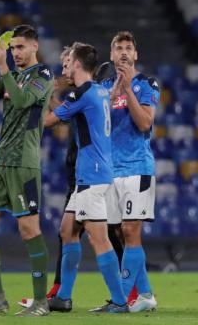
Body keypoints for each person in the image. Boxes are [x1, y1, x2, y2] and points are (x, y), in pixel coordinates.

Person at [0, 25, 53, 317]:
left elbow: (21, 101)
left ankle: (41, 302)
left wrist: (2, 66)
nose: (15, 53)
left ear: (34, 47)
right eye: (12, 48)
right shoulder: (11, 76)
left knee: (29, 230)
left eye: (20, 48)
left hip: (24, 163)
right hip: (0, 162)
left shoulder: (44, 76)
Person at [43, 42, 128, 313]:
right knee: (68, 230)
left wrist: (34, 95)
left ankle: (119, 300)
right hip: (90, 175)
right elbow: (108, 98)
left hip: (92, 176)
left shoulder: (82, 94)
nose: (64, 68)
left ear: (78, 64)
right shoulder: (99, 91)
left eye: (68, 63)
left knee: (98, 239)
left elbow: (47, 121)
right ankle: (63, 297)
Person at [97, 31, 160, 312]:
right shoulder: (104, 86)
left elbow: (145, 122)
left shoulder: (147, 84)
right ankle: (145, 294)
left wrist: (128, 91)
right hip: (112, 170)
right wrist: (114, 91)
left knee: (131, 230)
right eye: (118, 48)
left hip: (137, 167)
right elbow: (99, 122)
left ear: (135, 55)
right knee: (120, 233)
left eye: (128, 48)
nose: (123, 52)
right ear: (111, 55)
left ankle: (121, 298)